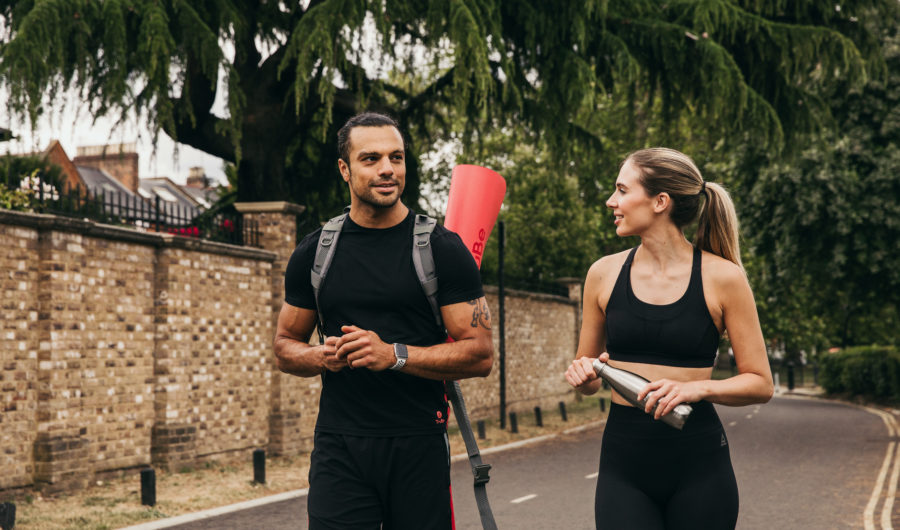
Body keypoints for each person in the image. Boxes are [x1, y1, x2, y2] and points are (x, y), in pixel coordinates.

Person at [274, 112, 493, 529]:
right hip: (339, 446)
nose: (387, 169)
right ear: (345, 169)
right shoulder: (315, 251)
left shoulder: (442, 250)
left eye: (396, 157)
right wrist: (322, 357)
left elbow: (480, 355)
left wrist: (394, 355)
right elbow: (284, 346)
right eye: (371, 159)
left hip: (419, 444)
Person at [564, 147, 774, 529]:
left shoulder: (723, 277)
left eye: (622, 190)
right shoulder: (602, 274)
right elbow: (589, 380)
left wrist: (697, 389)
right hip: (623, 468)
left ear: (660, 201)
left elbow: (761, 383)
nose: (611, 201)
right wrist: (583, 375)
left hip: (699, 469)